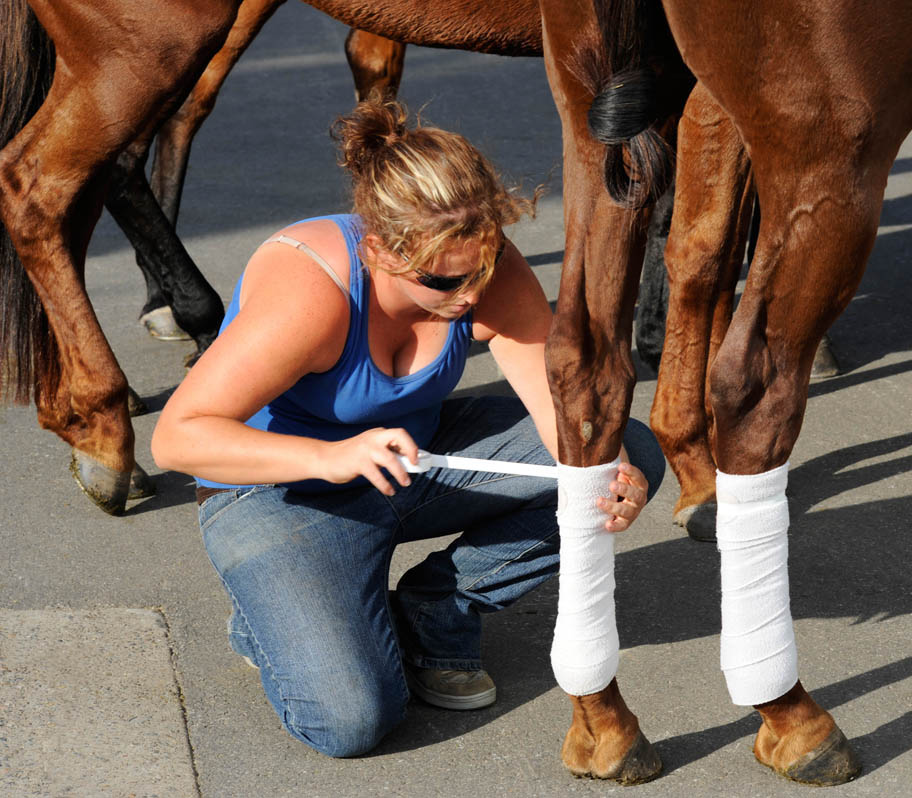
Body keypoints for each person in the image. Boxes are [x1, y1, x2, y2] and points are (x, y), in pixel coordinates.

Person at [151, 99, 664, 758]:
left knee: (622, 453)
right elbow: (177, 438)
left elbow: (560, 409)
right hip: (276, 492)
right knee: (352, 721)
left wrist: (608, 474)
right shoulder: (313, 291)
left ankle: (437, 610)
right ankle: (269, 621)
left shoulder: (481, 264)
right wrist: (326, 457)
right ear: (378, 250)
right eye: (444, 280)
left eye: (482, 268)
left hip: (410, 461)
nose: (471, 296)